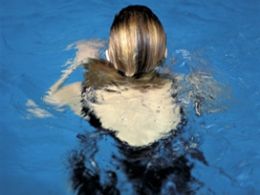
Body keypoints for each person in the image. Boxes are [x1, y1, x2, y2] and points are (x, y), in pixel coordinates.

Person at [45, 5, 203, 194]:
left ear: (109, 55)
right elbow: (217, 103)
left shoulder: (89, 93)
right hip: (169, 173)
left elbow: (44, 103)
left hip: (108, 172)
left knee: (77, 165)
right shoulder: (183, 88)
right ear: (165, 53)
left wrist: (76, 63)